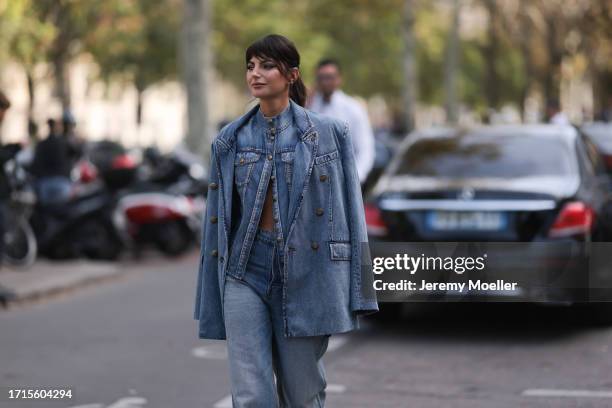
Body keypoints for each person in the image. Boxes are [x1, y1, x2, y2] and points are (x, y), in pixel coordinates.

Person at [193, 34, 378, 407]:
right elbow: (217, 222)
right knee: (250, 392)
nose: (255, 74)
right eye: (250, 66)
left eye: (266, 66)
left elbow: (350, 214)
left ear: (291, 74)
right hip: (245, 270)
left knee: (302, 391)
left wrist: (359, 287)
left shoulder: (328, 134)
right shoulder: (230, 140)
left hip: (306, 270)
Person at [307, 58, 375, 188]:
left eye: (329, 77)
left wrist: (355, 179)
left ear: (339, 79)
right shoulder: (309, 107)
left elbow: (366, 149)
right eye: (321, 77)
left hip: (345, 182)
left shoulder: (353, 109)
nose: (325, 82)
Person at [30, 118, 73, 204]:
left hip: (44, 182)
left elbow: (35, 164)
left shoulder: (42, 144)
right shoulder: (64, 142)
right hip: (61, 181)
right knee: (62, 210)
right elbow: (76, 153)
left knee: (45, 211)